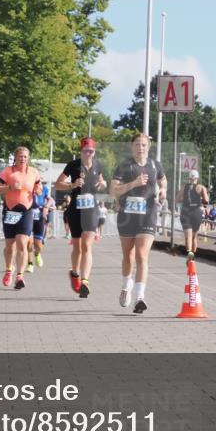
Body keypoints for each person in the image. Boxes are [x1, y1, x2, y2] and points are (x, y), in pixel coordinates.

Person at [110, 133, 166, 314]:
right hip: (127, 215)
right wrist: (133, 184)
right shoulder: (124, 166)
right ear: (131, 147)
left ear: (148, 147)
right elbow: (113, 190)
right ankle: (127, 286)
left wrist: (163, 190)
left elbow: (162, 180)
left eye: (144, 145)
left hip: (147, 215)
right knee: (128, 255)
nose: (140, 148)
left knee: (142, 255)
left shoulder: (155, 165)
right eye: (137, 145)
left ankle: (140, 298)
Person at [54, 137, 106, 298]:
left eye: (91, 151)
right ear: (81, 151)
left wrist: (102, 184)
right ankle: (75, 273)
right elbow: (57, 184)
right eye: (85, 151)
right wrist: (72, 185)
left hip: (91, 210)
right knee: (77, 247)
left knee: (87, 246)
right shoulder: (73, 165)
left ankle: (85, 281)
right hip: (75, 210)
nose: (88, 153)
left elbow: (102, 181)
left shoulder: (98, 165)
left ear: (94, 151)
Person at [0, 147, 43, 289]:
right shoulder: (8, 172)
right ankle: (9, 269)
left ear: (29, 158)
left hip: (26, 211)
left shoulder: (33, 172)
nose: (23, 159)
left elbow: (39, 187)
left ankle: (20, 276)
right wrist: (9, 188)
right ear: (15, 157)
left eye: (25, 157)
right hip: (10, 211)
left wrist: (38, 190)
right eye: (20, 156)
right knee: (10, 245)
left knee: (22, 243)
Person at [179, 170, 210, 259]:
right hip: (196, 211)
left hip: (185, 211)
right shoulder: (201, 187)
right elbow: (206, 200)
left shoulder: (184, 187)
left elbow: (177, 199)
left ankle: (189, 256)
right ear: (197, 178)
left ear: (189, 178)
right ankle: (193, 257)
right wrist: (200, 200)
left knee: (188, 237)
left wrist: (185, 200)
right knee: (194, 237)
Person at [27, 181, 52, 272]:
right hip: (28, 216)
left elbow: (50, 200)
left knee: (38, 245)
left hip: (40, 217)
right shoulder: (27, 186)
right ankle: (30, 264)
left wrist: (46, 207)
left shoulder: (44, 188)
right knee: (28, 243)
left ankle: (37, 254)